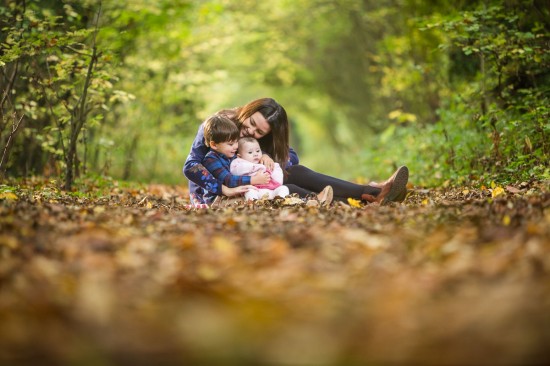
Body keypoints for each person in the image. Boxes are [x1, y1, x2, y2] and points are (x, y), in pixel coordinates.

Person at [183, 97, 407, 206]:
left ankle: (370, 193)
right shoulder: (218, 125)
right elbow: (191, 165)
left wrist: (266, 156)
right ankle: (364, 198)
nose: (249, 130)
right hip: (217, 190)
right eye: (250, 122)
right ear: (247, 110)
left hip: (252, 182)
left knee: (296, 171)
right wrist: (221, 188)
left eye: (259, 132)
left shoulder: (260, 141)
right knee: (287, 187)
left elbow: (290, 156)